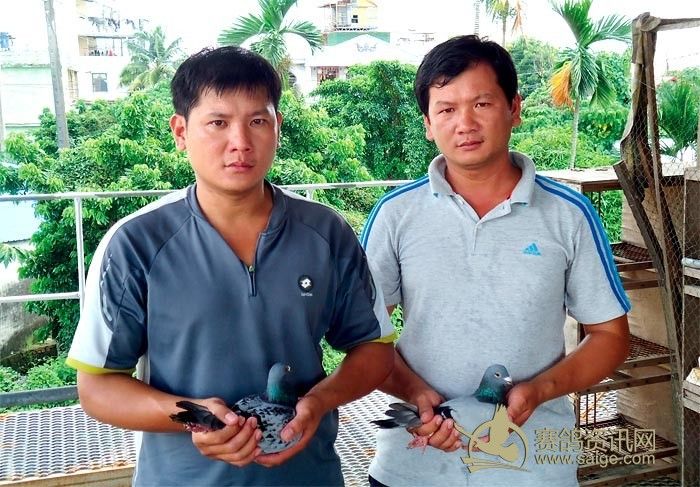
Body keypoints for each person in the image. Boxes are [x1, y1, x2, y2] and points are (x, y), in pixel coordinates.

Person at [66, 46, 394, 486]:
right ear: (181, 131)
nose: (240, 142)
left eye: (257, 121)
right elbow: (98, 387)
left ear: (278, 127)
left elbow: (374, 349)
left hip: (308, 476)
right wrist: (195, 417)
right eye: (217, 123)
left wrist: (319, 402)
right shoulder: (135, 243)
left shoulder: (325, 231)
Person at [362, 35, 630, 486]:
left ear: (514, 108)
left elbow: (610, 336)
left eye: (482, 103)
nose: (464, 123)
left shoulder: (569, 215)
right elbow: (364, 336)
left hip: (535, 465)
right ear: (428, 123)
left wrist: (539, 390)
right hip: (413, 463)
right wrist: (415, 393)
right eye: (446, 109)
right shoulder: (395, 214)